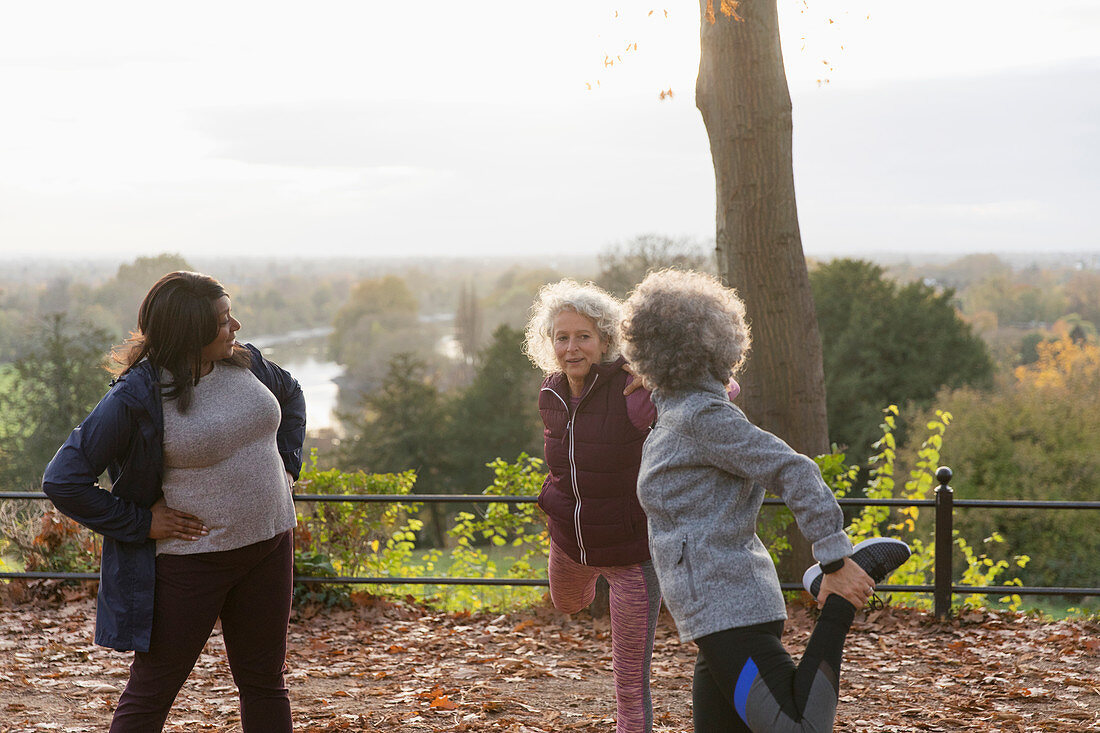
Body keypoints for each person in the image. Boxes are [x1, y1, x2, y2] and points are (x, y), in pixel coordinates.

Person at [619, 269, 910, 732]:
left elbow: (794, 469)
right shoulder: (675, 407)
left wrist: (834, 553)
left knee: (800, 727)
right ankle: (824, 581)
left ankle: (840, 593)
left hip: (731, 605)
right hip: (706, 612)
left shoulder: (703, 416)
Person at [42, 271, 306, 733]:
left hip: (270, 545)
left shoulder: (244, 362)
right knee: (152, 692)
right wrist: (141, 522)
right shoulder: (136, 396)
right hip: (193, 564)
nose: (236, 326)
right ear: (189, 330)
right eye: (224, 321)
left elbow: (292, 394)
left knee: (265, 682)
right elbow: (64, 480)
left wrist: (286, 466)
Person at [523, 279, 661, 733]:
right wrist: (553, 500)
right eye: (562, 337)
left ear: (606, 340)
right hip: (570, 540)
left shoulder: (633, 390)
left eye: (583, 336)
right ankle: (583, 581)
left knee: (630, 679)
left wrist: (657, 374)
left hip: (629, 552)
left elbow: (717, 394)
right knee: (566, 605)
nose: (572, 347)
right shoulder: (551, 391)